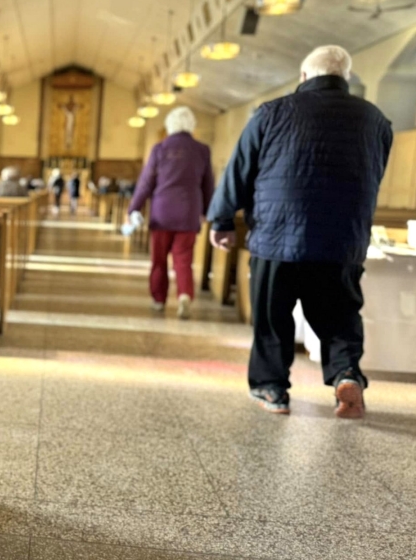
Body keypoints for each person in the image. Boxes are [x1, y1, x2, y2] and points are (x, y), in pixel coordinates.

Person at [206, 45, 392, 418]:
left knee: (273, 319)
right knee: (339, 317)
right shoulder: (375, 120)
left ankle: (271, 389)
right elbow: (375, 174)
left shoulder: (273, 112)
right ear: (346, 78)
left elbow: (240, 169)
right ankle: (346, 373)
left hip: (277, 239)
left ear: (304, 77)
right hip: (341, 240)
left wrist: (223, 220)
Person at [128, 106, 214, 319]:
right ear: (191, 125)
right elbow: (208, 185)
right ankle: (184, 295)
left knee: (159, 260)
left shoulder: (160, 148)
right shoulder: (202, 150)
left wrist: (134, 207)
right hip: (188, 213)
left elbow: (146, 183)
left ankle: (158, 299)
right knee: (183, 259)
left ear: (170, 125)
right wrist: (207, 211)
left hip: (162, 213)